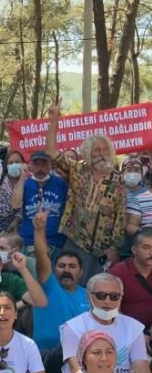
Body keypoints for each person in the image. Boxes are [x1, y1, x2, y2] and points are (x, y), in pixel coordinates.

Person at [48, 101, 124, 281]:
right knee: (66, 285)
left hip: (101, 249)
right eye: (97, 150)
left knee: (94, 291)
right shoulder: (77, 170)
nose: (102, 153)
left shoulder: (117, 178)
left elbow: (119, 216)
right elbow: (51, 152)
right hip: (75, 241)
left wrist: (114, 247)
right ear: (87, 152)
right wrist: (53, 122)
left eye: (106, 149)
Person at [59, 273, 152, 373]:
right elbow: (77, 369)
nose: (107, 301)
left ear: (121, 298)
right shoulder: (72, 327)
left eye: (114, 296)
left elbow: (141, 369)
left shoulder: (133, 327)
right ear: (88, 297)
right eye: (101, 295)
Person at [30, 209, 88, 368]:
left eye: (72, 266)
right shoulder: (49, 286)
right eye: (61, 266)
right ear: (55, 270)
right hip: (46, 356)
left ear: (81, 272)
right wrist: (39, 230)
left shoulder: (91, 295)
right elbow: (42, 256)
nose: (66, 270)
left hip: (81, 357)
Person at [10, 149, 68, 258]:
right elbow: (15, 205)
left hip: (55, 241)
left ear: (50, 165)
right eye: (36, 164)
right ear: (30, 165)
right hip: (30, 241)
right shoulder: (25, 184)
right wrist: (22, 177)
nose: (40, 168)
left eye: (44, 164)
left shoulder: (60, 183)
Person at [108, 228, 152, 328]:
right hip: (126, 330)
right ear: (134, 250)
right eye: (146, 247)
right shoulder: (118, 272)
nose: (151, 253)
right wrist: (135, 333)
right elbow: (112, 310)